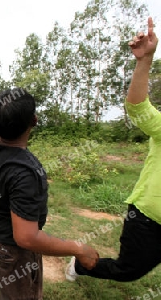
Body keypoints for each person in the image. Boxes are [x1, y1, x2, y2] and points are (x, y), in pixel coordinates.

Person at [0, 41, 99, 299]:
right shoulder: (26, 172)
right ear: (34, 121)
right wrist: (78, 248)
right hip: (11, 250)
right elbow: (27, 238)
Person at [65, 17, 161, 283]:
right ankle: (81, 265)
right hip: (149, 218)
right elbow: (139, 109)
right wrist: (144, 61)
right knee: (128, 270)